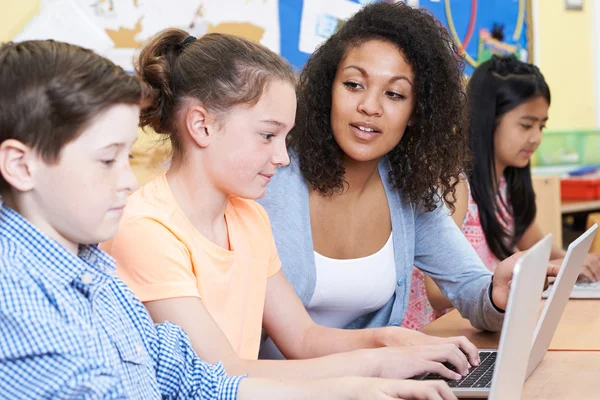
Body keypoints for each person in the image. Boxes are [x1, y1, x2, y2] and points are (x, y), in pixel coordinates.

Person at [0, 38, 456, 400]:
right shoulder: (22, 302)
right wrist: (365, 372)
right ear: (21, 166)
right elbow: (220, 374)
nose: (127, 181)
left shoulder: (94, 270)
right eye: (107, 161)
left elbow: (196, 381)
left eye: (127, 158)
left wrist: (363, 377)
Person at [110, 26, 479, 386]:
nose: (283, 158)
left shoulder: (248, 218)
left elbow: (303, 338)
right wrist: (377, 366)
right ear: (202, 126)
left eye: (286, 137)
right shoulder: (145, 228)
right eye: (268, 135)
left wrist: (389, 340)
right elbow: (221, 376)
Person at [256, 2, 558, 357]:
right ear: (328, 90)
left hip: (371, 384)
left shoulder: (409, 190)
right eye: (354, 85)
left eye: (395, 94)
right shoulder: (269, 176)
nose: (370, 106)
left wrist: (497, 293)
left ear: (417, 111)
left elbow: (472, 290)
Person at [424, 55, 600, 312]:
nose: (536, 138)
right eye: (526, 125)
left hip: (479, 325)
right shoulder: (455, 184)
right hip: (440, 333)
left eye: (542, 126)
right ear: (488, 120)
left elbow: (540, 249)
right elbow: (437, 291)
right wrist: (512, 276)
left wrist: (579, 262)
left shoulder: (507, 183)